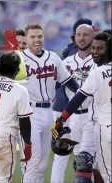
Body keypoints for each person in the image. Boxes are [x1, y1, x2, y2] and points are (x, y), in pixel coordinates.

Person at [18, 24, 79, 183]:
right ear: (26, 38)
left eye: (39, 36)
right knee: (32, 161)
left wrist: (83, 94)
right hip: (28, 113)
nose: (37, 40)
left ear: (43, 37)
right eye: (32, 37)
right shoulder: (18, 59)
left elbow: (67, 81)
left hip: (48, 112)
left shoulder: (53, 57)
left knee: (43, 164)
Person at [52, 31, 112, 183]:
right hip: (94, 124)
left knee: (94, 167)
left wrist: (60, 119)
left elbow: (79, 97)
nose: (95, 52)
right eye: (94, 48)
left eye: (100, 49)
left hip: (103, 127)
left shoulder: (98, 72)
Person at [0, 51, 33, 183]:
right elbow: (24, 121)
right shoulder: (20, 90)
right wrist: (27, 144)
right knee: (2, 179)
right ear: (16, 69)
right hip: (4, 137)